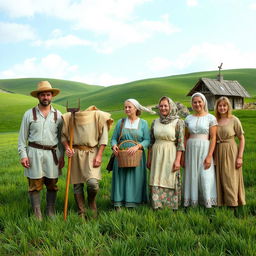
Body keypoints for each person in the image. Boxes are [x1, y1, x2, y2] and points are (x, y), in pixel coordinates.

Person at [18, 81, 64, 220]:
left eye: (48, 94)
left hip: (53, 155)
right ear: (38, 96)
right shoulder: (29, 114)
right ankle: (37, 214)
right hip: (34, 154)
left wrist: (61, 157)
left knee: (52, 184)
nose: (45, 97)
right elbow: (22, 138)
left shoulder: (58, 115)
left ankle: (50, 211)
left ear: (52, 96)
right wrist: (23, 155)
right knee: (34, 185)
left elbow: (62, 138)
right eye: (43, 94)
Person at [62, 106, 113, 218]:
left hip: (92, 152)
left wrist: (99, 155)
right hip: (75, 153)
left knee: (93, 183)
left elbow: (104, 139)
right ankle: (81, 211)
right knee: (77, 185)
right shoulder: (69, 118)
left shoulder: (98, 116)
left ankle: (91, 203)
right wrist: (67, 148)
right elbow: (63, 137)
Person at [111, 99, 153, 209]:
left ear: (136, 108)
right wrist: (114, 146)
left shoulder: (143, 123)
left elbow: (147, 140)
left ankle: (135, 203)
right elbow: (114, 138)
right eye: (125, 107)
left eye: (129, 107)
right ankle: (118, 204)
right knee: (120, 179)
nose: (127, 109)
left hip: (137, 155)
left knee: (136, 179)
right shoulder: (121, 122)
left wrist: (138, 146)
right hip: (121, 155)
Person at [147, 96, 185, 210]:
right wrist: (149, 159)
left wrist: (178, 160)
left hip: (171, 154)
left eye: (165, 106)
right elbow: (151, 142)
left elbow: (181, 143)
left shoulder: (178, 122)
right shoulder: (155, 122)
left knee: (170, 177)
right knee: (156, 178)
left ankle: (171, 206)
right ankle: (157, 205)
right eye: (161, 106)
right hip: (156, 154)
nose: (163, 108)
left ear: (171, 106)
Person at [183, 92, 217, 208]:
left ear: (204, 103)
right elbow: (186, 137)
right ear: (192, 104)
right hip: (191, 149)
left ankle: (207, 202)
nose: (197, 104)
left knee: (205, 175)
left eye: (199, 102)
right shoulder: (188, 118)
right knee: (192, 175)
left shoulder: (210, 118)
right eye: (195, 102)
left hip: (205, 148)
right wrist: (183, 155)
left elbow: (213, 138)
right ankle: (193, 202)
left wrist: (209, 156)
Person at [214, 97, 246, 210]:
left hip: (231, 152)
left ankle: (233, 204)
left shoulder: (234, 120)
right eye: (220, 105)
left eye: (225, 105)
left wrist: (240, 157)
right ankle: (221, 203)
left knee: (230, 178)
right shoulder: (214, 121)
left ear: (228, 107)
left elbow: (242, 139)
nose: (222, 108)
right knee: (219, 177)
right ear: (217, 107)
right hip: (218, 152)